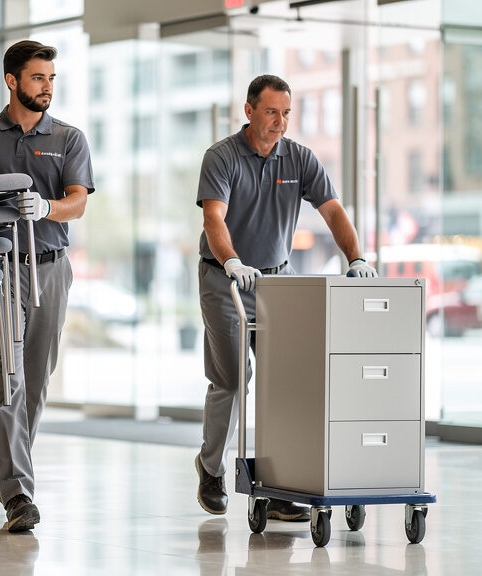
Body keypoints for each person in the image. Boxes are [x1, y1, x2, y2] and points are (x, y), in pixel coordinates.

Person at [194, 74, 376, 520]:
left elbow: (332, 210)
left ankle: (277, 485)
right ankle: (211, 467)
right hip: (227, 279)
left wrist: (356, 258)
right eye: (272, 112)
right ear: (250, 110)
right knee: (235, 379)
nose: (280, 122)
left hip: (277, 278)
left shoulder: (299, 158)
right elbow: (214, 218)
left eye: (287, 113)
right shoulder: (221, 158)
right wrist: (233, 260)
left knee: (283, 381)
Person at [0, 40, 94, 532]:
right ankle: (18, 494)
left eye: (51, 79)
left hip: (50, 266)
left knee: (36, 382)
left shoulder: (68, 137)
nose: (47, 87)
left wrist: (47, 206)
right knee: (6, 379)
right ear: (12, 81)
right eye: (38, 78)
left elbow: (78, 201)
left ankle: (4, 475)